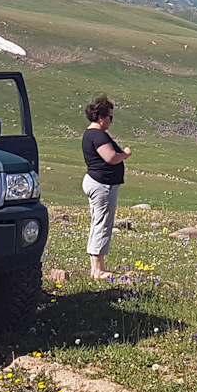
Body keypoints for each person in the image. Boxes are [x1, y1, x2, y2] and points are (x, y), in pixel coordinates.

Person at [80, 94, 130, 281]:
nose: (111, 121)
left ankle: (96, 268)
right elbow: (110, 157)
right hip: (102, 184)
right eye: (110, 117)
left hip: (96, 181)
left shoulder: (89, 134)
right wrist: (124, 154)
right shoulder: (98, 135)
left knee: (98, 222)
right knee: (102, 224)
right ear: (100, 117)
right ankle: (98, 270)